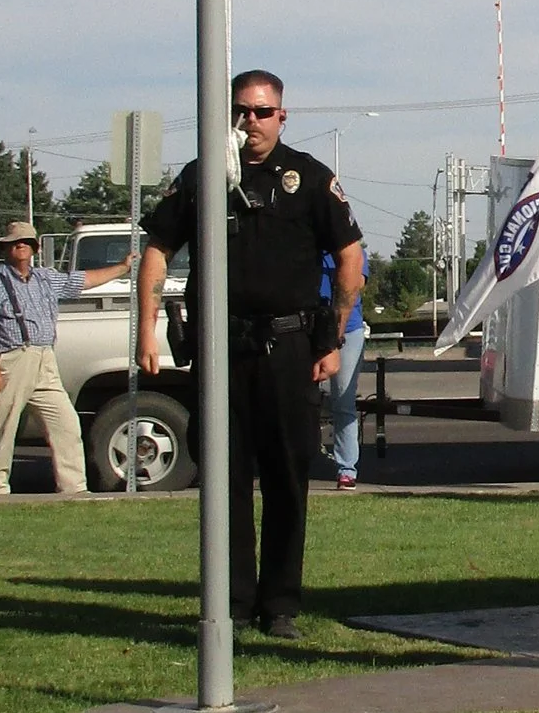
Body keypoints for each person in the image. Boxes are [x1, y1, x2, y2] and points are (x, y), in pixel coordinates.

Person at [138, 72, 363, 639]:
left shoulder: (309, 178)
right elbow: (158, 249)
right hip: (221, 346)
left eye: (263, 112)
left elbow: (350, 257)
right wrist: (145, 330)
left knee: (289, 474)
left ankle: (280, 603)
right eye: (242, 111)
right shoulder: (204, 177)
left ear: (282, 116)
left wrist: (332, 339)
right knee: (223, 474)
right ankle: (233, 602)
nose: (252, 122)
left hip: (289, 346)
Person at [0, 222, 134, 495]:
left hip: (45, 359)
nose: (19, 246)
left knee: (66, 425)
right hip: (14, 358)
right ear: (6, 248)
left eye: (24, 241)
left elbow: (84, 280)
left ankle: (74, 489)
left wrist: (123, 267)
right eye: (14, 242)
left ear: (34, 247)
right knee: (1, 428)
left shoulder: (45, 278)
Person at [320, 244, 368, 486]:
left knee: (343, 400)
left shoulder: (351, 249)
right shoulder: (305, 246)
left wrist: (340, 268)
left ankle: (347, 469)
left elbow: (358, 282)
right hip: (308, 328)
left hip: (348, 331)